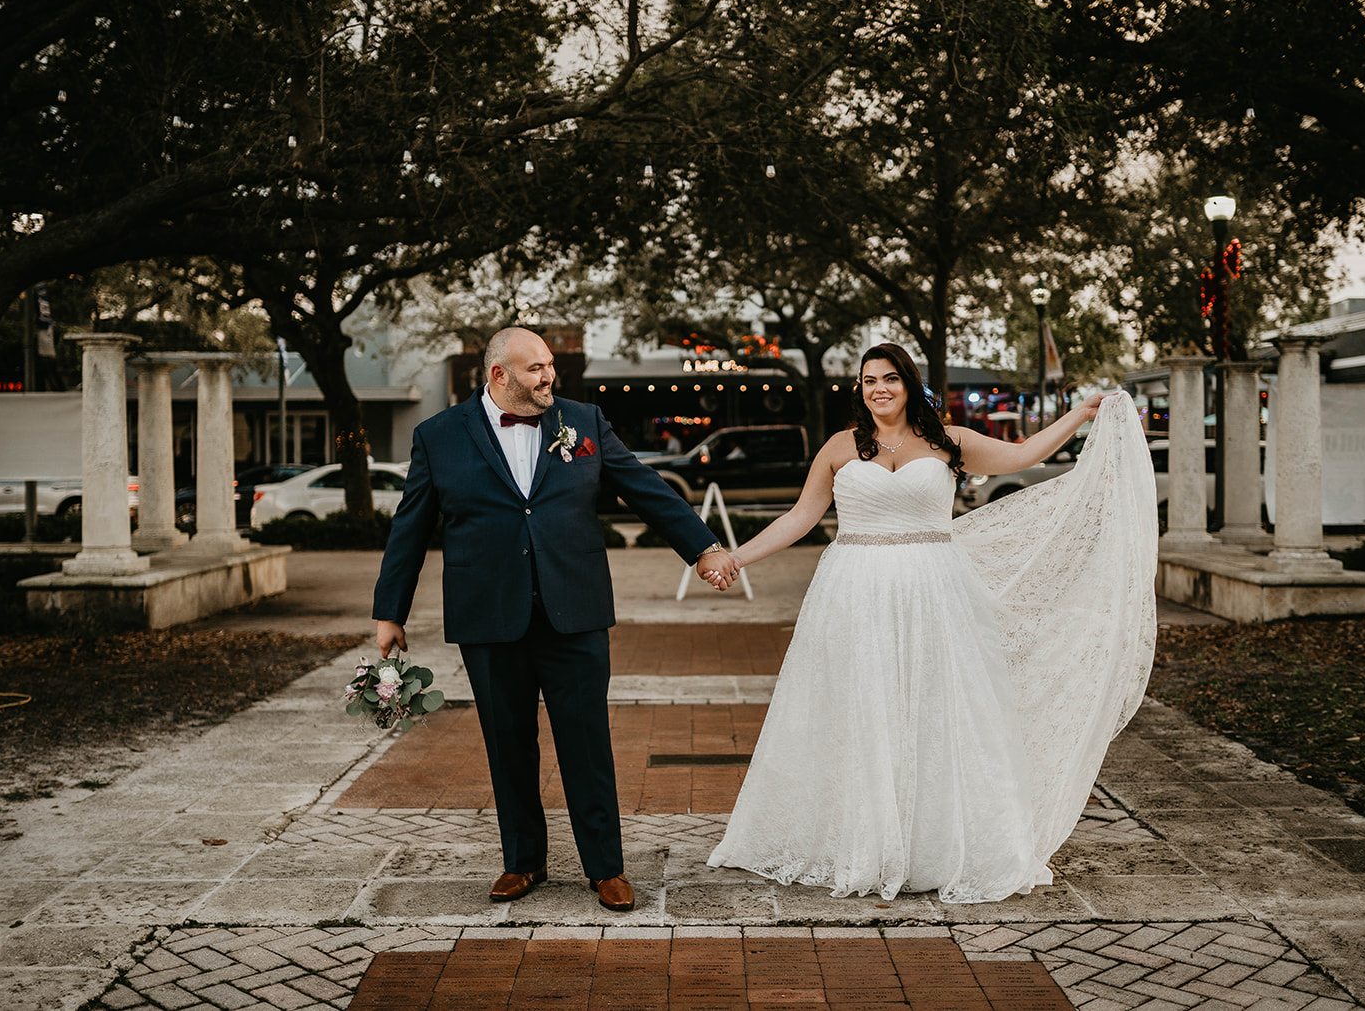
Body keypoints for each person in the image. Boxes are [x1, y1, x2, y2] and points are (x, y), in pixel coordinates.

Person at [703, 342, 1157, 903]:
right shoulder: (840, 447)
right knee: (862, 709)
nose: (878, 389)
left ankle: (932, 844)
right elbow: (800, 517)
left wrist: (1081, 414)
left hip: (935, 591)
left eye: (890, 379)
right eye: (869, 380)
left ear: (908, 383)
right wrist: (735, 557)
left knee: (935, 710)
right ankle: (864, 838)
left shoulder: (948, 441)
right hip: (855, 591)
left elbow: (1022, 456)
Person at [372, 327, 738, 912]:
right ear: (499, 376)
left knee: (586, 741)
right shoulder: (437, 436)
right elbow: (409, 529)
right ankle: (524, 863)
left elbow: (644, 488)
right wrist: (390, 613)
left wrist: (703, 548)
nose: (549, 378)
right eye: (536, 368)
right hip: (488, 616)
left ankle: (606, 869)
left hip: (576, 610)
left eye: (549, 367)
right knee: (508, 744)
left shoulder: (584, 422)